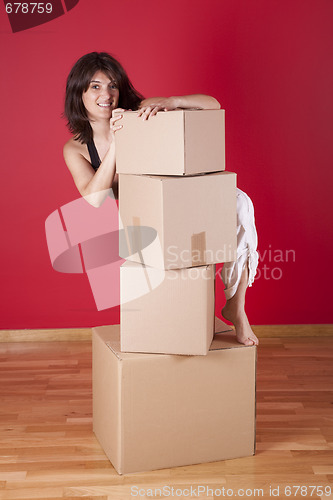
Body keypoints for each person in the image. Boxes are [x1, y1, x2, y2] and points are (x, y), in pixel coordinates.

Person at [63, 51, 259, 346]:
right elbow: (93, 198)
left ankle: (237, 306)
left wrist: (173, 102)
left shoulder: (140, 112)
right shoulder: (75, 148)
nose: (107, 94)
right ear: (79, 93)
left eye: (113, 85)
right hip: (142, 219)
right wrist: (119, 143)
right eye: (95, 86)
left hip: (179, 198)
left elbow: (212, 105)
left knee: (241, 203)